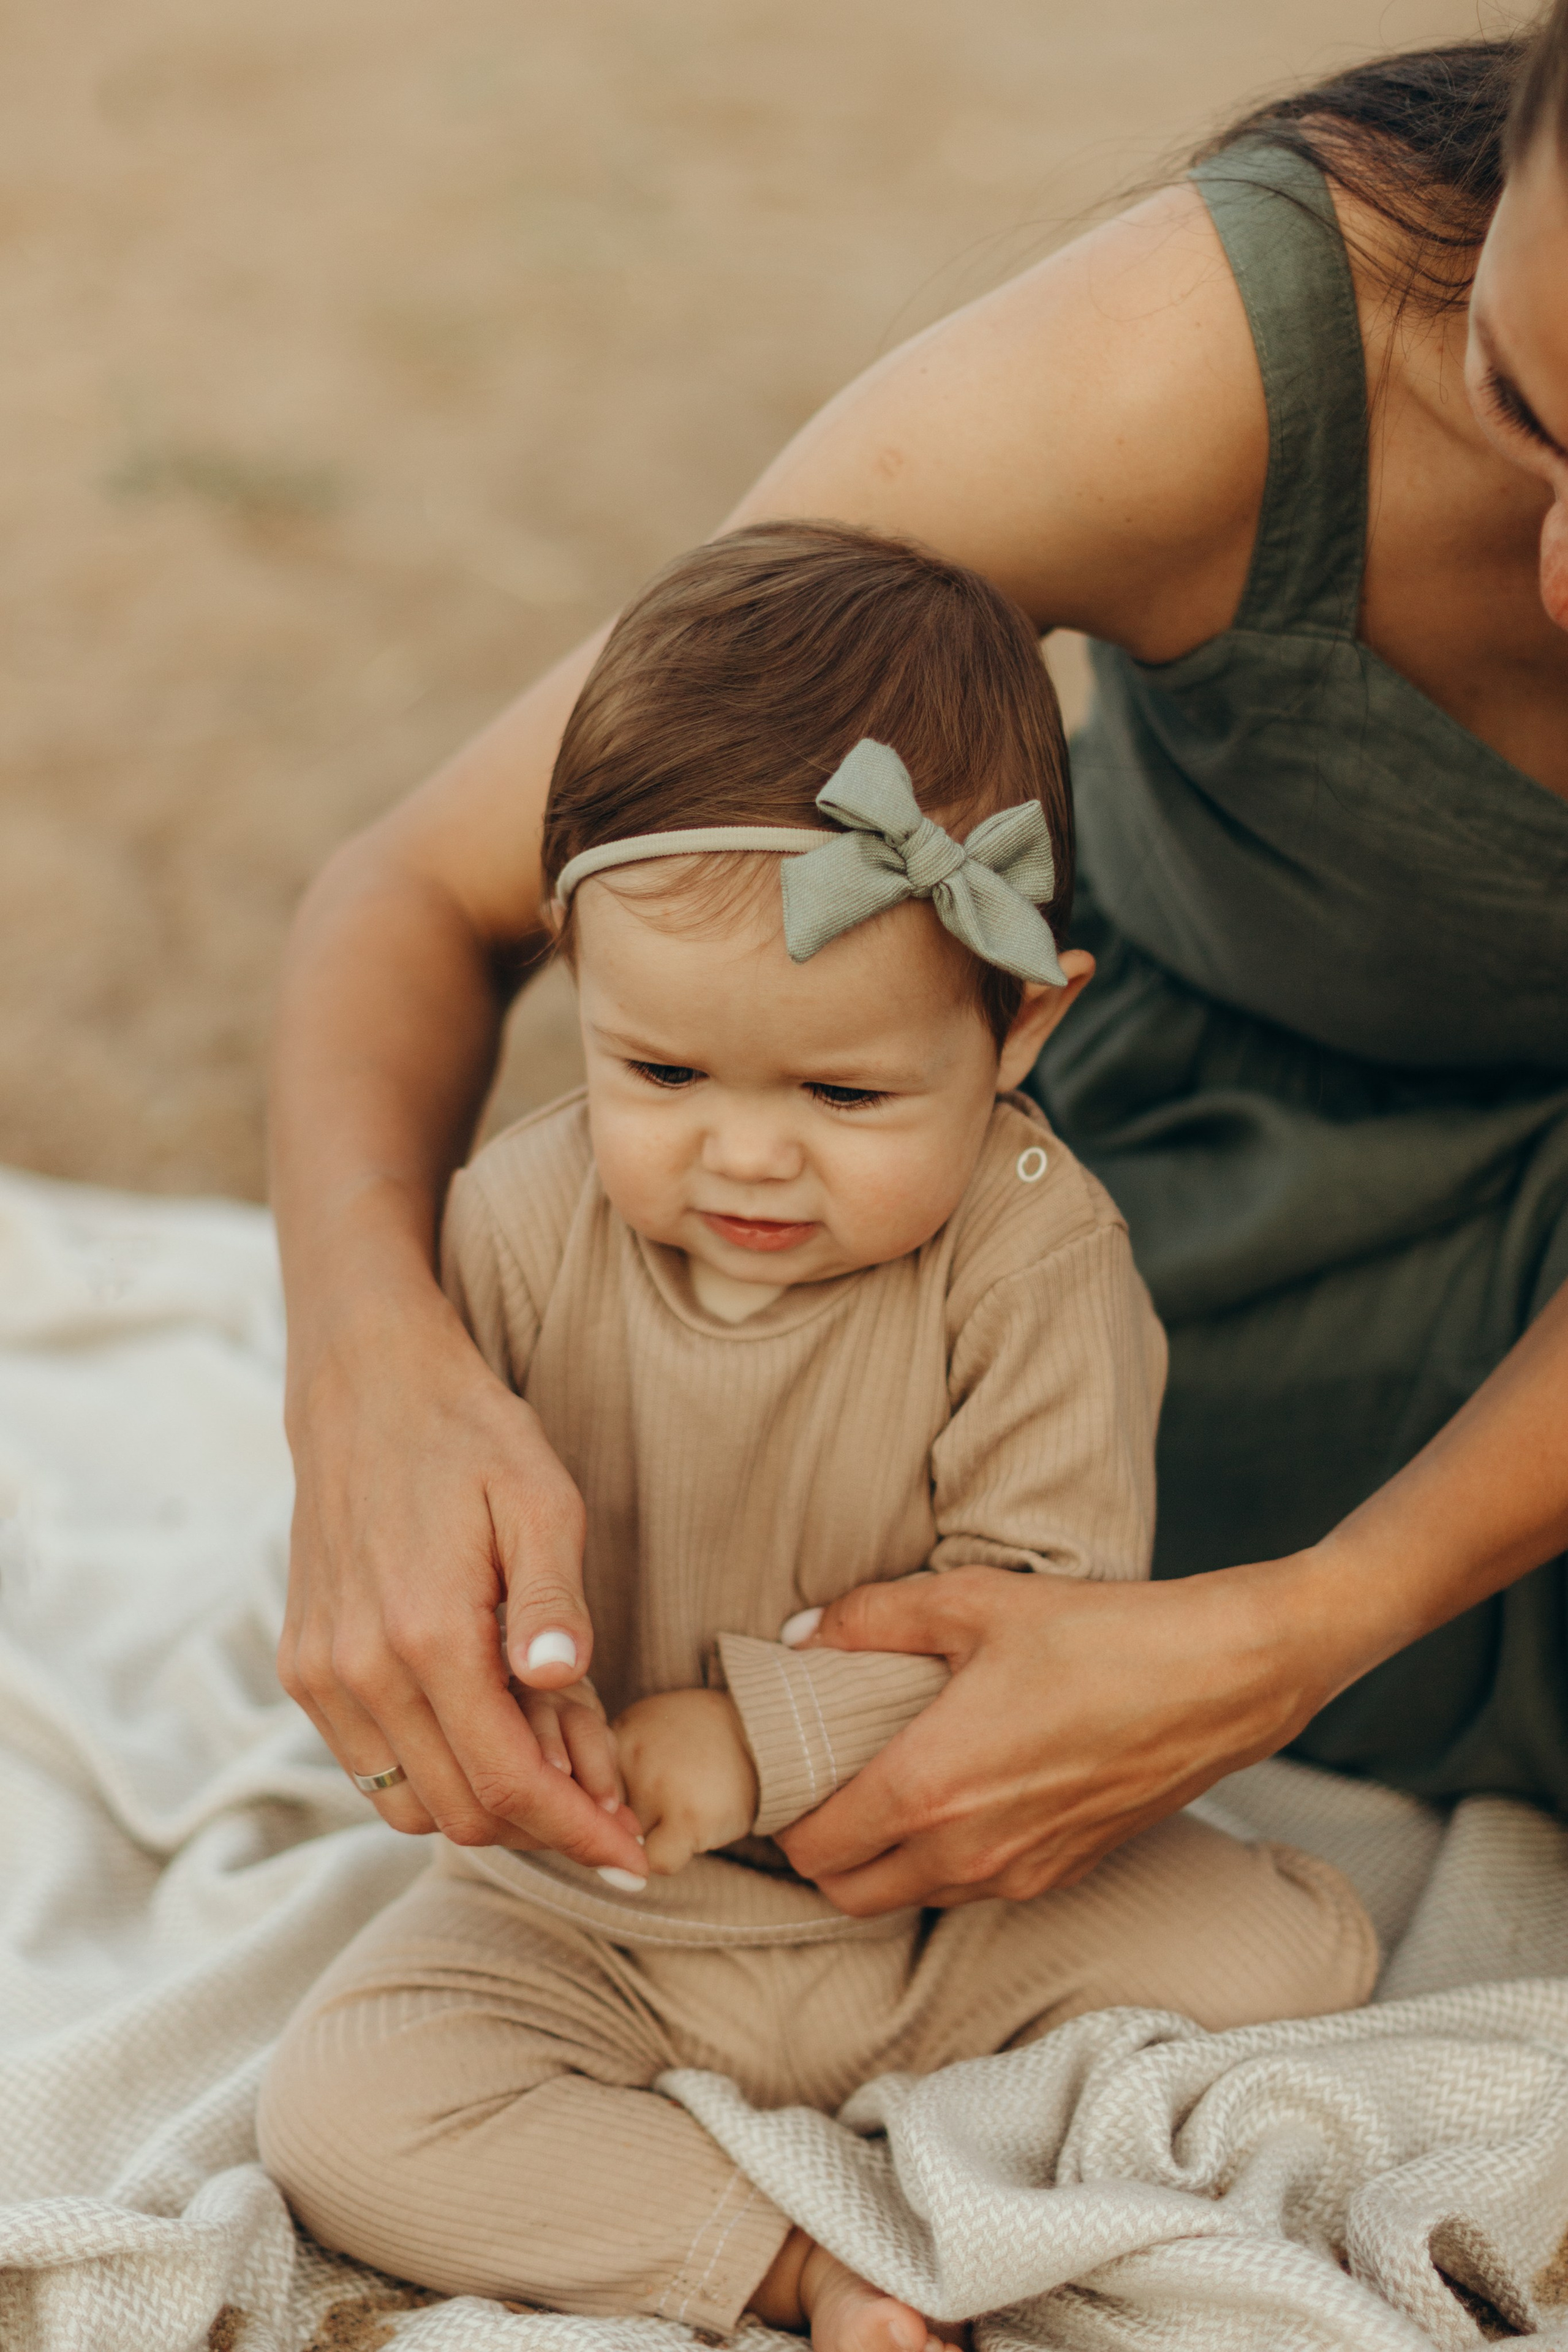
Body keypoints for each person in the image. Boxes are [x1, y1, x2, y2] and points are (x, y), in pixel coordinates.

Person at [268, 15, 1568, 1904]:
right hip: (1199, 1280)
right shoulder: (1211, 355)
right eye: (1530, 405)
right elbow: (417, 890)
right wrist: (368, 1382)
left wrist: (1308, 1628)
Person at [257, 526, 1375, 2348]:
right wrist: (494, 1697)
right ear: (580, 991)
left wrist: (756, 1742)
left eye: (847, 1092)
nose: (749, 1154)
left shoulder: (1040, 1262)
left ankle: (955, 2110)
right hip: (605, 1906)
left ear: (1020, 1024)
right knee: (345, 2110)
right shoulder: (523, 1225)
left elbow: (1049, 1630)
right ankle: (786, 2259)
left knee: (1292, 1957)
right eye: (665, 1074)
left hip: (942, 1896)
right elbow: (429, 1533)